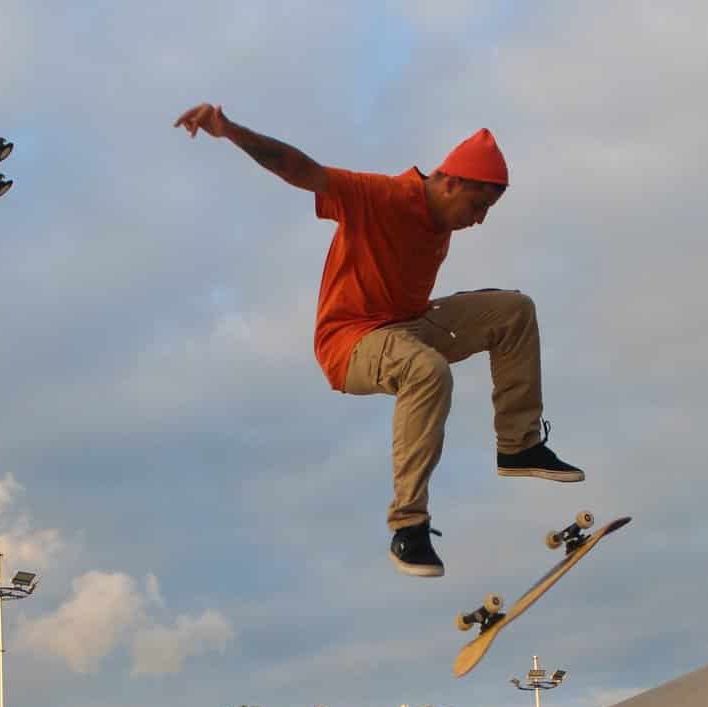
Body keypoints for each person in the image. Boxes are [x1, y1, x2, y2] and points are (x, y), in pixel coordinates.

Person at [174, 104, 584, 578]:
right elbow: (298, 169)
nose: (479, 221)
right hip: (350, 343)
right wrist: (230, 132)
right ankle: (408, 526)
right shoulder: (378, 195)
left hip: (409, 324)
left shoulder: (440, 220)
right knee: (427, 370)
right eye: (477, 206)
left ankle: (518, 446)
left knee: (514, 311)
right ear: (449, 182)